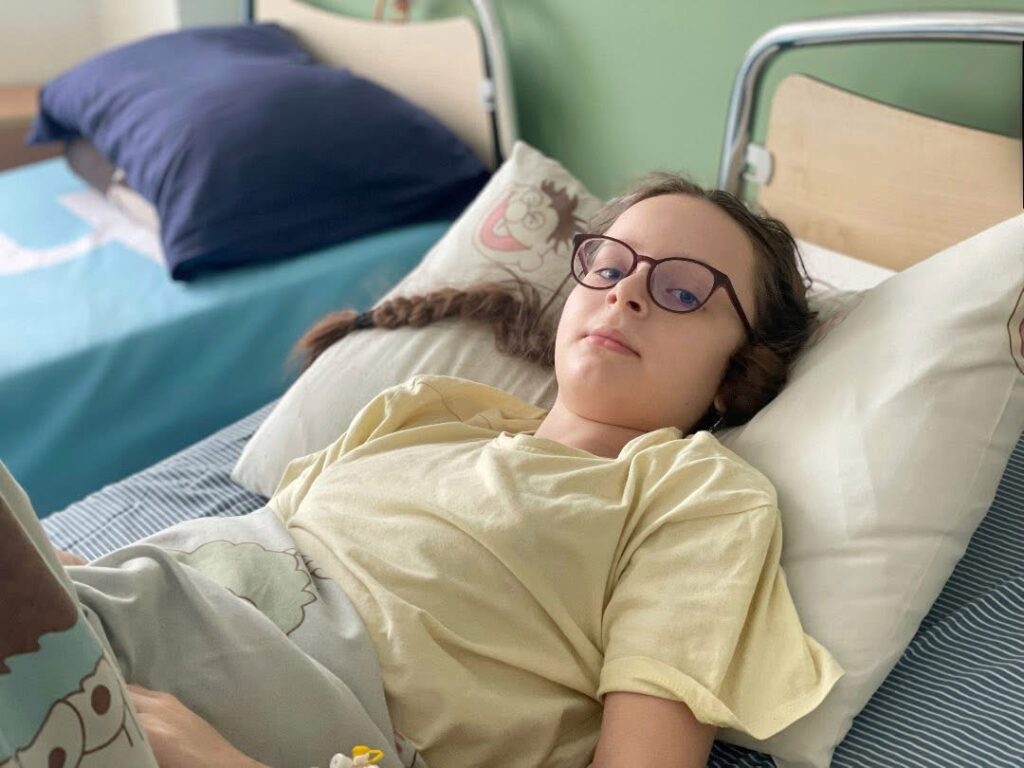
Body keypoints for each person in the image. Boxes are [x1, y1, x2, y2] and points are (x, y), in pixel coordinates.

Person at [20, 171, 844, 768]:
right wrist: (55, 574)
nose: (626, 293)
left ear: (739, 372)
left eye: (684, 292)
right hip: (121, 625)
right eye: (610, 266)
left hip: (230, 720)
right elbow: (247, 560)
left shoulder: (689, 493)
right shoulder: (431, 412)